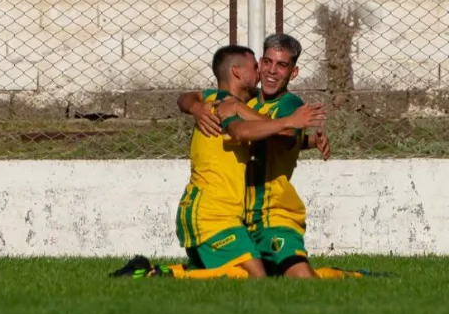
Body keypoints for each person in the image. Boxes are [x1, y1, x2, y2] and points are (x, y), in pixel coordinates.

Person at [112, 45, 326, 279]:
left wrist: (308, 141)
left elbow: (189, 99)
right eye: (256, 66)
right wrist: (288, 122)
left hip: (223, 214)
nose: (261, 72)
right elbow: (240, 132)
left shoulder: (224, 103)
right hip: (210, 214)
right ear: (236, 72)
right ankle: (153, 275)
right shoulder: (222, 105)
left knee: (243, 272)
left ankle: (158, 271)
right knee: (256, 276)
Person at [182, 34, 363, 279]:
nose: (271, 71)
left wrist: (299, 135)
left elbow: (283, 139)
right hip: (240, 216)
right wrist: (195, 107)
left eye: (282, 65)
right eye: (266, 62)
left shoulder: (289, 105)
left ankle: (345, 277)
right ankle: (172, 273)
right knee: (250, 275)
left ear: (293, 73)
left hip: (273, 214)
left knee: (301, 278)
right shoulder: (245, 98)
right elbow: (189, 98)